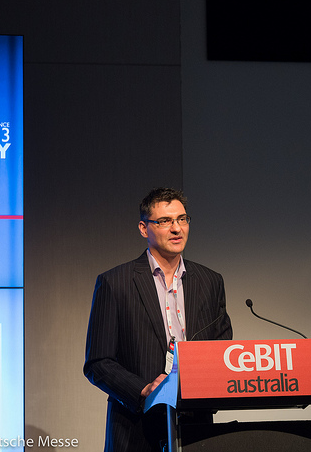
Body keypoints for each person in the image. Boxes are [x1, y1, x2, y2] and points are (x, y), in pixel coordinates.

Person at [83, 187, 232, 452]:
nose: (177, 228)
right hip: (136, 428)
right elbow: (98, 363)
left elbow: (221, 347)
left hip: (197, 426)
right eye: (165, 221)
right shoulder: (115, 283)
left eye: (182, 219)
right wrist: (143, 389)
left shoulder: (210, 281)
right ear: (144, 228)